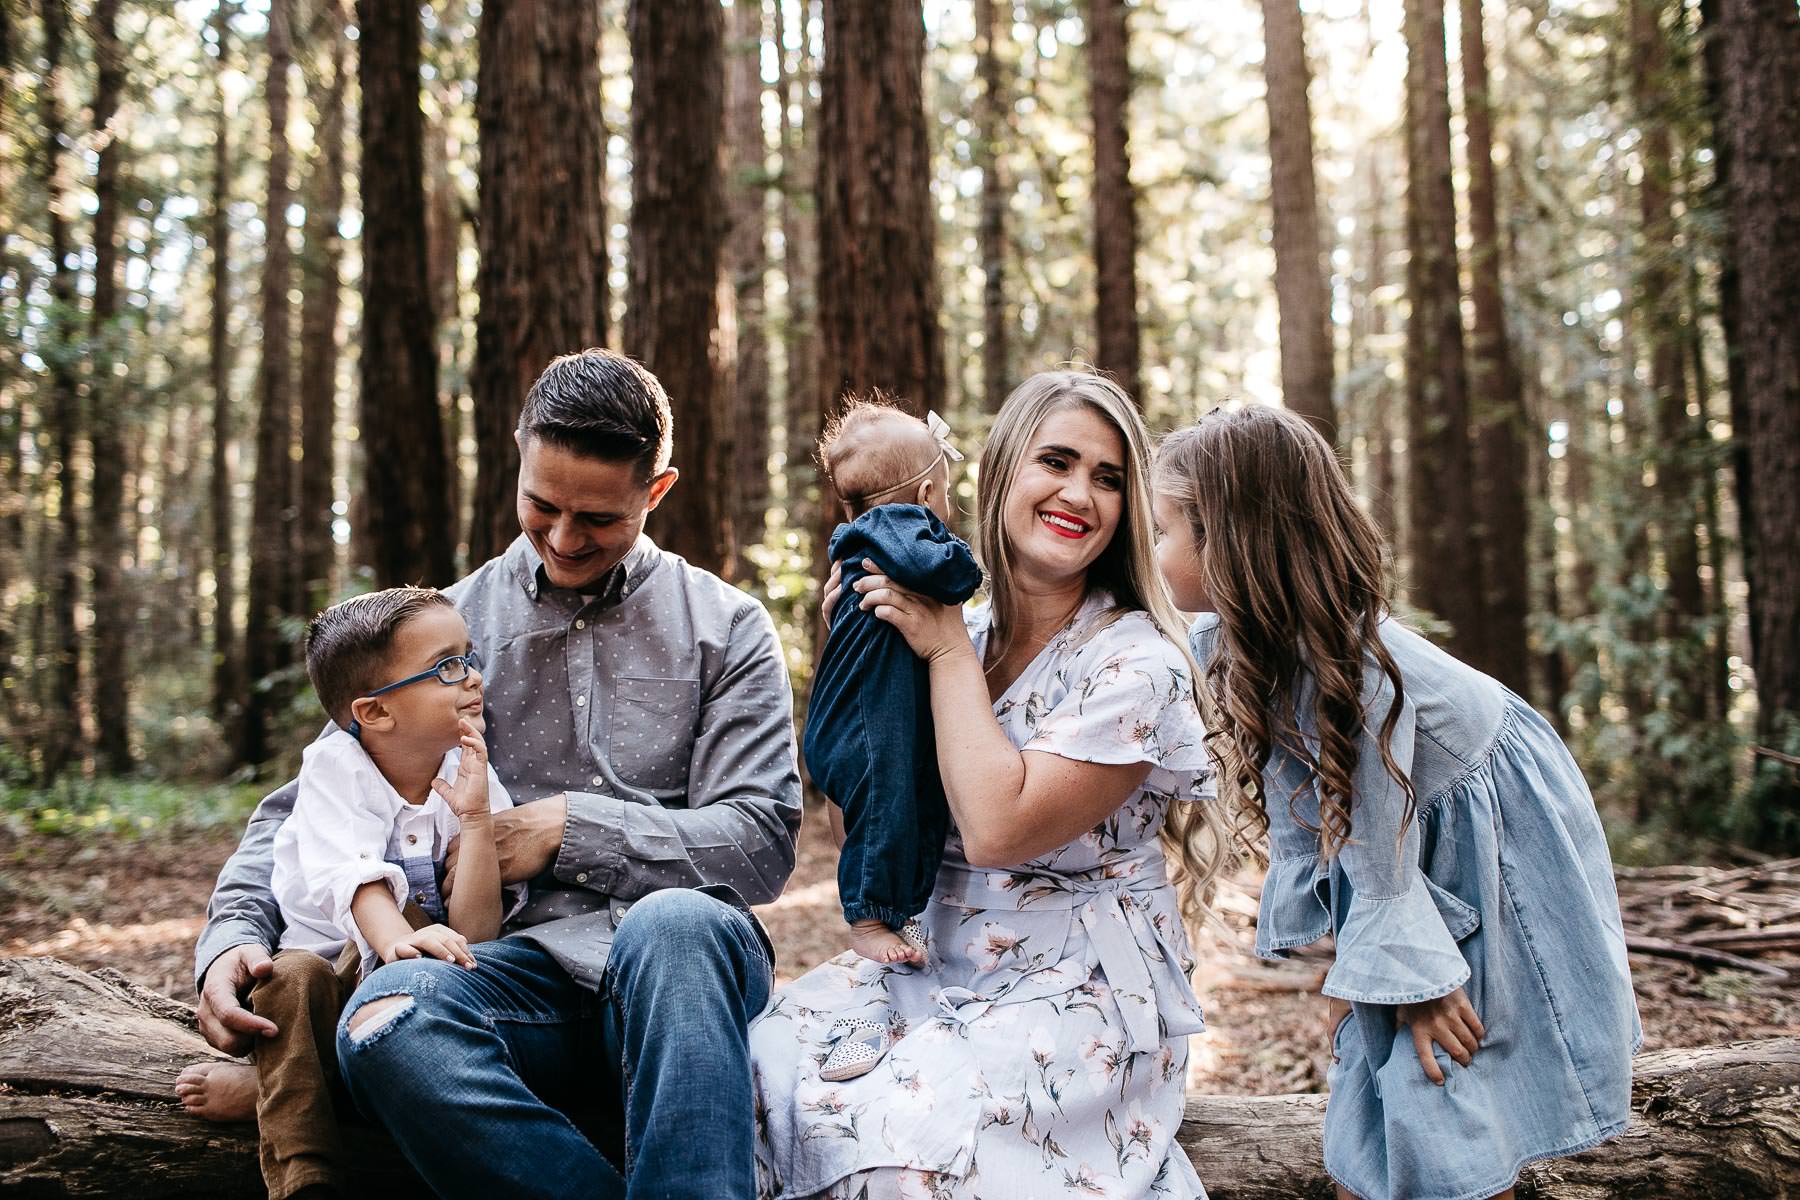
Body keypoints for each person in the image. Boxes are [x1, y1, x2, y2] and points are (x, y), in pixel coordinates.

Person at [186, 348, 803, 1200]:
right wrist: (230, 940)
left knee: (671, 925)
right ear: (516, 454)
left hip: (680, 980)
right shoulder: (443, 632)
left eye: (597, 518)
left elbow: (761, 842)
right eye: (540, 506)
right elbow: (311, 806)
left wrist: (565, 828)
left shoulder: (727, 629)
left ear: (655, 493)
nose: (562, 538)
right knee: (387, 1013)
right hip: (508, 981)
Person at [752, 369, 1226, 1200]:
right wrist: (861, 669)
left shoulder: (1134, 661)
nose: (1079, 493)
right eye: (1057, 461)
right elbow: (857, 815)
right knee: (761, 1074)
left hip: (1073, 987)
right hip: (927, 958)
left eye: (1108, 478)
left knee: (909, 1154)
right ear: (1001, 470)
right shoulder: (957, 623)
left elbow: (998, 828)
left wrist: (939, 656)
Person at [1152, 403, 1639, 1200]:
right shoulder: (1244, 640)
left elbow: (1379, 850)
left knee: (1441, 1077)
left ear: (1227, 542)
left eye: (1166, 528)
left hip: (1489, 847)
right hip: (1414, 855)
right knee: (1397, 1091)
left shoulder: (1362, 674)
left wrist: (1420, 982)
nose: (1154, 546)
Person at [180, 585, 516, 1199]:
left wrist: (475, 822)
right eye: (446, 667)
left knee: (448, 1012)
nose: (470, 678)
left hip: (411, 971)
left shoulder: (468, 766)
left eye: (468, 658)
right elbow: (353, 878)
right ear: (375, 712)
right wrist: (400, 948)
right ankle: (304, 1172)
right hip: (334, 971)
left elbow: (479, 934)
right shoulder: (336, 767)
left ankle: (282, 1090)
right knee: (291, 977)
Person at [807, 396, 981, 989]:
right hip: (866, 719)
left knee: (899, 806)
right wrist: (966, 567)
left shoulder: (861, 542)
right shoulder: (898, 529)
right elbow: (943, 573)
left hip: (847, 715)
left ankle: (897, 907)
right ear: (929, 494)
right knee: (888, 804)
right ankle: (868, 917)